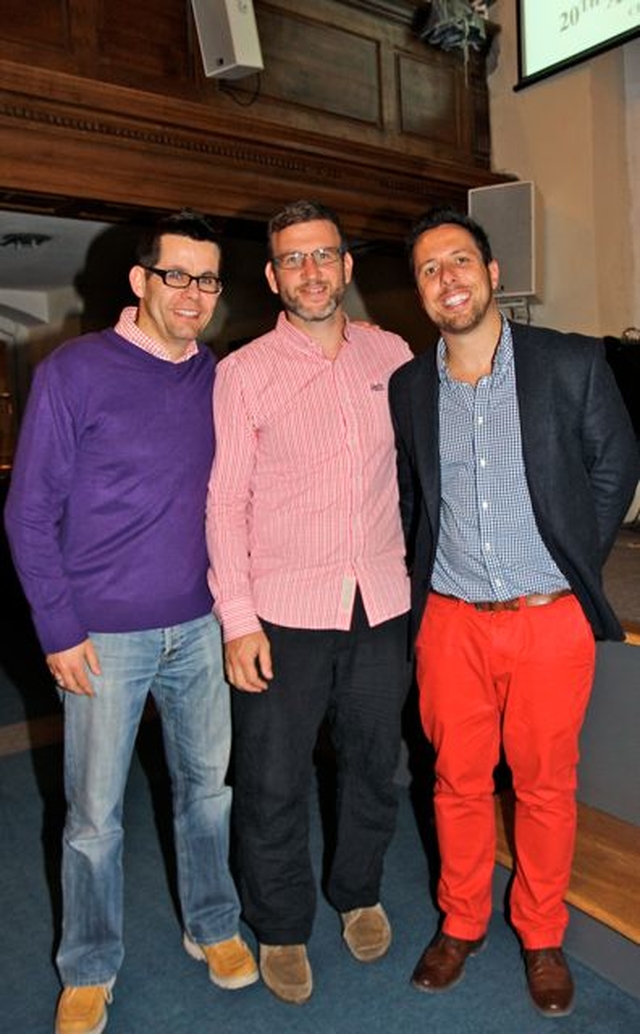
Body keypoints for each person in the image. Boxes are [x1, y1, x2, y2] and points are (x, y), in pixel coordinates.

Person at [4, 210, 258, 1034]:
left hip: (200, 628)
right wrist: (56, 628)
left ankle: (213, 925)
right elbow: (28, 512)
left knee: (207, 794)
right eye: (176, 275)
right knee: (92, 818)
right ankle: (88, 965)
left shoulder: (214, 375)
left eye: (208, 278)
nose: (193, 294)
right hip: (100, 637)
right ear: (140, 280)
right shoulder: (75, 371)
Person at [388, 206, 639, 1017]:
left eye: (459, 261)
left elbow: (616, 465)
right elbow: (411, 493)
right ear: (419, 289)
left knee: (543, 786)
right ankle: (460, 921)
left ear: (493, 275)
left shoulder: (568, 363)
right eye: (429, 269)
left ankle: (540, 932)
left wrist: (573, 560)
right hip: (452, 619)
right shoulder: (409, 385)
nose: (446, 279)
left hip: (549, 618)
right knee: (455, 781)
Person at [206, 199, 413, 1004]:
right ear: (271, 276)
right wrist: (238, 620)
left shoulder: (392, 353)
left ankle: (358, 892)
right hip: (284, 613)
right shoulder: (243, 373)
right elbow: (223, 504)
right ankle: (283, 924)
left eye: (324, 255)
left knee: (372, 765)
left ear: (347, 265)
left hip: (381, 603)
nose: (312, 272)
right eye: (293, 259)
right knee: (272, 777)